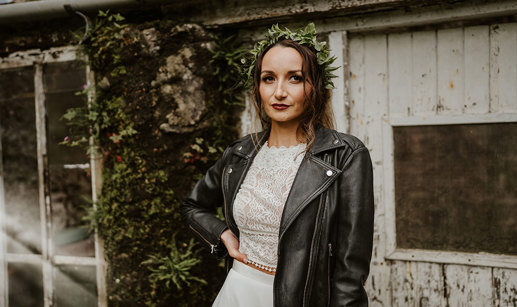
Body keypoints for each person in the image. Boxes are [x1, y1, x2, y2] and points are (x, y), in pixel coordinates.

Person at [181, 23, 374, 307]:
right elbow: (193, 206)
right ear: (258, 87)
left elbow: (350, 269)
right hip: (238, 292)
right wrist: (222, 234)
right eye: (268, 78)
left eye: (294, 78)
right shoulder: (239, 153)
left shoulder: (346, 154)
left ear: (315, 87)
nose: (279, 92)